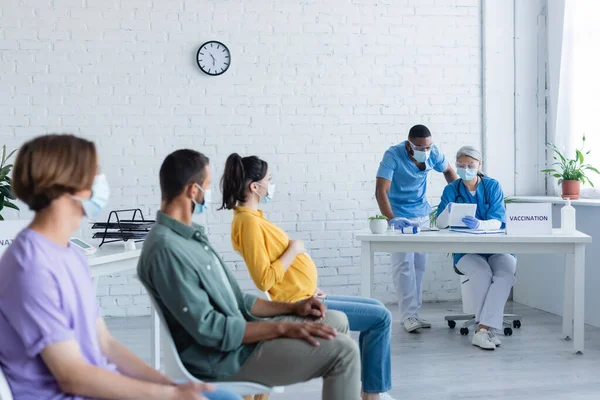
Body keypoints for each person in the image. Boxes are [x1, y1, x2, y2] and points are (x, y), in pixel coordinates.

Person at [0, 134, 240, 400]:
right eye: (95, 173)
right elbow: (72, 377)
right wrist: (169, 397)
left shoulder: (71, 254)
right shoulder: (29, 267)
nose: (101, 181)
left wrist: (172, 387)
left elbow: (105, 344)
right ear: (66, 182)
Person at [137, 149, 361, 400]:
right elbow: (211, 329)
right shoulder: (166, 249)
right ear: (193, 191)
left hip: (240, 338)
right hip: (225, 358)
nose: (210, 195)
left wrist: (293, 308)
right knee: (345, 352)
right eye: (207, 187)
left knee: (336, 320)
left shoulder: (191, 238)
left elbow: (238, 300)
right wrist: (281, 328)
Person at [220, 154, 396, 400]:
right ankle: (372, 394)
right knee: (381, 318)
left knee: (377, 307)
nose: (271, 184)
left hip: (306, 295)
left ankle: (369, 391)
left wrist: (307, 284)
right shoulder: (248, 223)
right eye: (269, 179)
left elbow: (277, 271)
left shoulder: (253, 218)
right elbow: (264, 279)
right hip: (298, 304)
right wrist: (294, 249)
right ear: (254, 186)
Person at [375, 124, 458, 332]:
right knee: (403, 266)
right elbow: (380, 191)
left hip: (422, 215)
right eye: (420, 148)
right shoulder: (392, 155)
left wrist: (458, 198)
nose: (425, 151)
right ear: (408, 144)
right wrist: (391, 218)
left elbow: (448, 171)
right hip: (400, 216)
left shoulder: (434, 153)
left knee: (419, 266)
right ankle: (407, 316)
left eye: (428, 147)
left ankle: (415, 314)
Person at [435, 145, 517, 350]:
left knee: (506, 274)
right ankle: (485, 330)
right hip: (467, 251)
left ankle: (482, 330)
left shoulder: (492, 186)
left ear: (479, 165)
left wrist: (480, 224)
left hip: (497, 248)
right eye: (461, 165)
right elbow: (439, 224)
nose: (465, 169)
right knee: (481, 273)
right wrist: (448, 211)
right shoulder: (451, 189)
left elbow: (498, 220)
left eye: (470, 165)